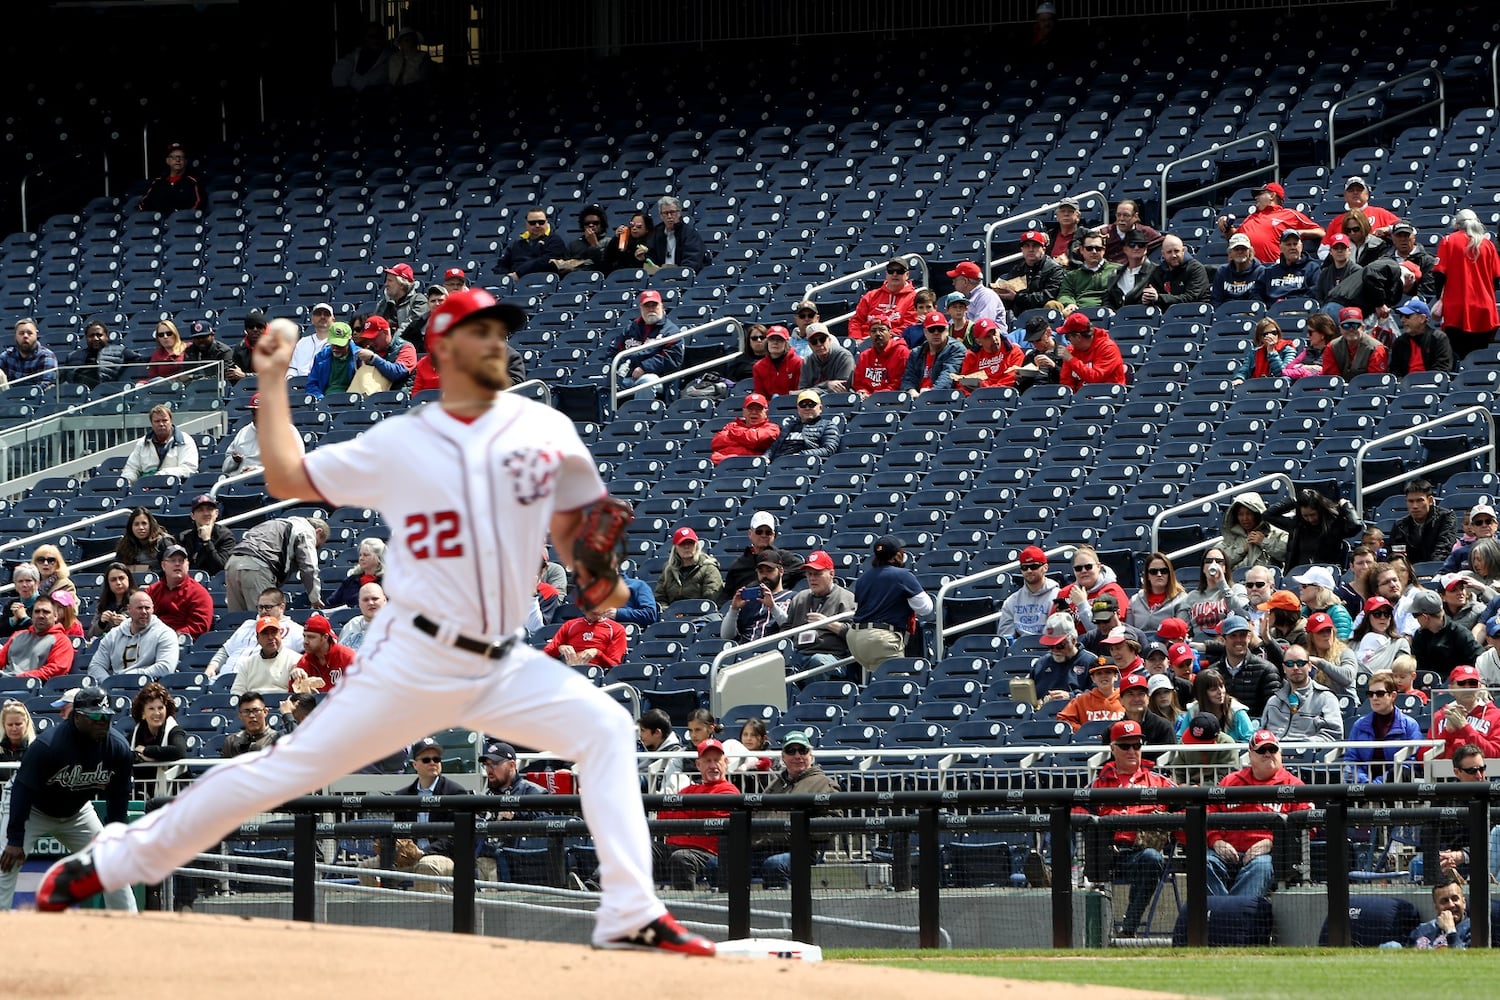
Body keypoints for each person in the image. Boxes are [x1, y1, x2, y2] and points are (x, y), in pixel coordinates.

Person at [38, 296, 715, 954]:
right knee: (282, 772)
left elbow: (585, 541)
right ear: (446, 353)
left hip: (501, 661)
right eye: (482, 334)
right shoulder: (405, 440)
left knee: (603, 730)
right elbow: (286, 471)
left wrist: (597, 565)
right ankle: (111, 861)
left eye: (501, 334)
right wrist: (272, 381)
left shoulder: (545, 431)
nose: (498, 344)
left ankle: (630, 911)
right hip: (412, 657)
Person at [0, 689, 136, 912]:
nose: (102, 722)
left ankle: (130, 927)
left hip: (77, 811)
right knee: (6, 864)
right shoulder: (49, 745)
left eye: (107, 716)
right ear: (77, 716)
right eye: (95, 716)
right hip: (32, 809)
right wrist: (15, 839)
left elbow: (118, 797)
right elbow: (22, 790)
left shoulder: (117, 748)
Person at [1076, 720, 1176, 937]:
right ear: (1112, 748)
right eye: (1125, 746)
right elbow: (1074, 811)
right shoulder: (1099, 783)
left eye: (1137, 746)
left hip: (1142, 854)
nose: (1132, 751)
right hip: (1105, 857)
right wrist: (1097, 820)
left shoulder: (1159, 782)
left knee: (1152, 858)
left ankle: (1128, 928)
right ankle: (1054, 872)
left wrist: (1166, 824)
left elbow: (1189, 806)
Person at [1205, 730, 1311, 898]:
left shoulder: (1294, 785)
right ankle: (1223, 913)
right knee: (1203, 862)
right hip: (1227, 852)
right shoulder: (1230, 782)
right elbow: (1207, 814)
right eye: (1262, 750)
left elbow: (1307, 827)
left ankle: (1234, 916)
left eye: (1273, 750)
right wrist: (1216, 841)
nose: (1268, 754)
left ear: (1280, 753)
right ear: (1250, 755)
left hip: (1267, 856)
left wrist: (1272, 842)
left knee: (1262, 866)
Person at [363, 737, 466, 894]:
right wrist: (393, 848)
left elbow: (456, 839)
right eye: (426, 759)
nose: (432, 762)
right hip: (409, 857)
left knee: (426, 866)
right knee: (366, 868)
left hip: (444, 857)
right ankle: (381, 912)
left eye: (436, 759)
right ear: (415, 765)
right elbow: (399, 832)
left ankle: (426, 917)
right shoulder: (403, 796)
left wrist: (424, 852)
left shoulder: (455, 792)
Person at [752, 729, 841, 888]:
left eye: (802, 750)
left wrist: (795, 831)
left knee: (774, 865)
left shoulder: (824, 783)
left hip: (802, 851)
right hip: (763, 848)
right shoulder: (776, 784)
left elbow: (833, 822)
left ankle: (781, 911)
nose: (797, 756)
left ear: (811, 755)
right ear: (783, 757)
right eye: (791, 751)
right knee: (719, 864)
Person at [652, 740, 738, 891]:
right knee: (641, 849)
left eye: (717, 760)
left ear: (725, 762)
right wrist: (695, 813)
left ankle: (688, 910)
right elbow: (663, 816)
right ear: (698, 765)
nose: (713, 766)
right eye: (707, 761)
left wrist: (683, 812)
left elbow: (714, 813)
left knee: (681, 858)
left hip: (708, 854)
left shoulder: (729, 791)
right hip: (675, 849)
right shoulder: (689, 790)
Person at [846, 535, 933, 680]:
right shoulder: (902, 576)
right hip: (880, 639)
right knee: (897, 687)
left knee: (878, 684)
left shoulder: (863, 579)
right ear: (897, 555)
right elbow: (926, 608)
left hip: (855, 639)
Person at [222, 514, 329, 612]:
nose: (315, 548)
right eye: (317, 545)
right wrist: (315, 598)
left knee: (237, 622)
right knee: (266, 620)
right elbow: (309, 567)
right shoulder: (305, 530)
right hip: (256, 567)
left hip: (232, 563)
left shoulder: (273, 523)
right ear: (318, 531)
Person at [1434, 208, 1500, 359]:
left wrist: (1440, 299)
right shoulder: (1488, 244)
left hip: (1456, 309)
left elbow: (1439, 274)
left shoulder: (1448, 241)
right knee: (1478, 358)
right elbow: (1497, 279)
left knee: (1458, 355)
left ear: (1457, 224)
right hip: (1485, 310)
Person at [1343, 670, 1426, 783]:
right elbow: (1351, 760)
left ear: (1393, 696)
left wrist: (1379, 783)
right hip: (1365, 786)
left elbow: (1410, 762)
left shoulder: (1409, 725)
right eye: (1370, 694)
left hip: (1395, 787)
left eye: (1380, 694)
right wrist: (1365, 783)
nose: (1374, 698)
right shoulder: (1359, 725)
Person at [781, 550, 854, 673]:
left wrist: (828, 623)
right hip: (799, 654)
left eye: (817, 574)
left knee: (817, 662)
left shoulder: (846, 598)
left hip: (832, 656)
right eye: (809, 574)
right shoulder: (800, 598)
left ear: (831, 573)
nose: (812, 578)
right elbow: (786, 630)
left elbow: (854, 634)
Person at [1216, 181, 1325, 263]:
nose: (1256, 197)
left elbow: (1321, 232)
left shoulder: (1289, 214)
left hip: (1274, 267)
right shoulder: (1251, 217)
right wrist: (1226, 227)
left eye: (1260, 194)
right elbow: (1234, 238)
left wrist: (1298, 233)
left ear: (1272, 195)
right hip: (1248, 269)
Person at [85, 591, 180, 682]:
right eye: (139, 608)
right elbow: (96, 666)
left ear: (153, 609)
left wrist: (130, 677)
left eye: (147, 608)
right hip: (116, 688)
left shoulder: (165, 634)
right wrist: (109, 682)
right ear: (129, 609)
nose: (144, 612)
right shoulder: (113, 635)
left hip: (150, 689)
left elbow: (165, 667)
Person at [1259, 644, 1344, 742]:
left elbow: (1333, 735)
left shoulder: (1326, 698)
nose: (1295, 668)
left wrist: (1304, 746)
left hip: (1306, 754)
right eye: (1290, 664)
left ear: (1309, 666)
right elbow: (1262, 732)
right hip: (1272, 753)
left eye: (1300, 663)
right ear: (1284, 668)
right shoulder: (1274, 701)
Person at [1268, 490, 1365, 570]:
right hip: (1298, 573)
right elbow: (1268, 515)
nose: (1310, 519)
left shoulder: (1333, 525)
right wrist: (1294, 501)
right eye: (1306, 515)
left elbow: (1355, 525)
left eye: (1313, 514)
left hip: (1325, 573)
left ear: (1320, 510)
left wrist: (1346, 506)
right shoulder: (1297, 525)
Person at [610, 290, 683, 396]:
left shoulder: (670, 331)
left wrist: (644, 368)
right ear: (641, 308)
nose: (651, 309)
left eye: (654, 305)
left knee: (647, 381)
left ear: (662, 307)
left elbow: (673, 359)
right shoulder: (631, 329)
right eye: (647, 306)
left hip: (656, 378)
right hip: (626, 376)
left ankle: (642, 412)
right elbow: (613, 350)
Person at [128, 682, 188, 800]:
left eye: (160, 708)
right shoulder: (136, 732)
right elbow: (127, 753)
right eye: (151, 708)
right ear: (143, 713)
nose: (157, 713)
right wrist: (140, 756)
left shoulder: (174, 729)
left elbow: (179, 751)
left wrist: (146, 751)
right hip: (144, 794)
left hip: (175, 795)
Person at [720, 550, 794, 644]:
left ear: (781, 571)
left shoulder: (793, 597)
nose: (765, 575)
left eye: (769, 570)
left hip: (774, 650)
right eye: (761, 571)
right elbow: (726, 636)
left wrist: (773, 607)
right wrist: (734, 609)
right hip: (744, 651)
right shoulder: (749, 601)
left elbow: (792, 630)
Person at [994, 230, 1065, 320]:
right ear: (1022, 250)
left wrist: (1017, 297)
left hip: (1043, 316)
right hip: (1019, 314)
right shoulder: (1018, 269)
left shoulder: (1054, 269)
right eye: (1026, 246)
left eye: (1035, 246)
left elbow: (1047, 296)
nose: (1031, 249)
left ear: (1043, 248)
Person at [1410, 589, 1483, 677]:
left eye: (1415, 615)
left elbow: (1479, 660)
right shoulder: (1420, 635)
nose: (1415, 619)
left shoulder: (1459, 633)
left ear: (1425, 617)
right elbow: (1420, 666)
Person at [0, 594, 73, 680]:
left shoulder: (62, 641)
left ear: (55, 616)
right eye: (37, 611)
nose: (40, 615)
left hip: (29, 687)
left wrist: (20, 678)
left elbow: (56, 670)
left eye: (46, 612)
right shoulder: (17, 635)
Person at [122, 403, 200, 484]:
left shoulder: (185, 440)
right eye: (157, 421)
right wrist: (127, 481)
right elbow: (131, 468)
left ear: (171, 421)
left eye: (164, 420)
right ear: (151, 424)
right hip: (146, 488)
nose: (161, 424)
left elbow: (189, 468)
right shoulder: (142, 443)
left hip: (175, 486)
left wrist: (162, 474)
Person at [1390, 478, 1461, 565]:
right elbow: (1395, 556)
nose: (1415, 506)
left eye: (1419, 500)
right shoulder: (1400, 525)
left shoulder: (1446, 517)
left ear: (1430, 500)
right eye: (1410, 501)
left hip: (1438, 569)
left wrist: (1428, 570)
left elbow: (1443, 548)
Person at [1184, 547, 1250, 641]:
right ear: (1203, 568)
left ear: (1225, 568)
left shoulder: (1237, 589)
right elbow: (1182, 625)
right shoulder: (1192, 596)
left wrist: (1222, 584)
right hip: (1198, 644)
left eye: (1219, 561)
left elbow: (1241, 612)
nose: (1213, 564)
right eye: (1209, 561)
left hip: (1228, 644)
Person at [1031, 613, 1097, 703]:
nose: (1054, 650)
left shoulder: (1091, 662)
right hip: (1043, 714)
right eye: (1050, 646)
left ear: (1073, 640)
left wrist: (1071, 696)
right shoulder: (1041, 663)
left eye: (1060, 646)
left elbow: (1099, 695)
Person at [61, 321, 149, 388]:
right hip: (77, 393)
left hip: (105, 393)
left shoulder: (120, 351)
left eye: (99, 335)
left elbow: (143, 360)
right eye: (91, 336)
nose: (95, 338)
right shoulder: (73, 356)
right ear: (86, 338)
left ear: (106, 336)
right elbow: (61, 378)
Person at [230, 616, 304, 696]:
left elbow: (300, 696)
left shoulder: (296, 660)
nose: (270, 637)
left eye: (274, 632)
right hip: (254, 706)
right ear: (257, 638)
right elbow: (237, 692)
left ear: (280, 634)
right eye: (265, 633)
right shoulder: (248, 664)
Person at [998, 546, 1062, 638]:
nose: (1029, 571)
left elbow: (1058, 634)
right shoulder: (1011, 601)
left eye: (1034, 566)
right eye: (1024, 567)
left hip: (1049, 648)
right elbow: (1006, 637)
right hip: (1020, 650)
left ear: (1045, 567)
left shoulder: (1058, 596)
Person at [848, 258, 917, 341]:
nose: (894, 274)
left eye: (900, 271)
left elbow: (909, 326)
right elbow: (856, 321)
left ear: (907, 275)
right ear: (886, 274)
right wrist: (856, 338)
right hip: (864, 341)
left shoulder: (914, 298)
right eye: (891, 271)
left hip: (893, 341)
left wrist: (883, 336)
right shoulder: (871, 295)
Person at [1220, 492, 1288, 573]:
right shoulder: (1229, 538)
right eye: (1240, 514)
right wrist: (1242, 550)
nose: (1245, 518)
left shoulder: (1276, 533)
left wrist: (1264, 542)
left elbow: (1288, 554)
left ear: (1257, 514)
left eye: (1248, 514)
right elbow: (1219, 563)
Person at [654, 526, 724, 606]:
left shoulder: (709, 568)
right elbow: (660, 597)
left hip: (700, 614)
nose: (686, 547)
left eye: (690, 543)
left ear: (696, 545)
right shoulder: (668, 570)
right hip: (673, 615)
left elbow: (711, 597)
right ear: (675, 547)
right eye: (682, 544)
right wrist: (668, 612)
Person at [1185, 667, 1256, 744]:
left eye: (1221, 686)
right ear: (1202, 694)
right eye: (1213, 689)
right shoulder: (1193, 710)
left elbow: (1250, 740)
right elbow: (1181, 738)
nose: (1220, 692)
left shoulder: (1236, 711)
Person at [1056, 312, 1126, 390]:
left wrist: (1072, 360)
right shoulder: (1071, 350)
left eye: (1067, 337)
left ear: (1078, 337)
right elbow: (1066, 382)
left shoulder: (1108, 348)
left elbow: (1096, 378)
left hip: (1107, 394)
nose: (1068, 341)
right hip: (1081, 398)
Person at [954, 317, 1024, 392]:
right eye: (987, 337)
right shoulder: (971, 356)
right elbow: (962, 384)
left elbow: (1010, 381)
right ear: (978, 342)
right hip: (977, 399)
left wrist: (984, 388)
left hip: (1005, 397)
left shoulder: (1014, 351)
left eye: (994, 333)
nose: (994, 339)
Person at [544, 607, 628, 669]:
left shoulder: (616, 629)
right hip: (568, 671)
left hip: (595, 674)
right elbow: (546, 653)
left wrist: (597, 653)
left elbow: (615, 666)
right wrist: (560, 648)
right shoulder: (570, 625)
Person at [289, 613, 355, 692]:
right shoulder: (304, 661)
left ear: (325, 637)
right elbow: (294, 698)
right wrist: (296, 679)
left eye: (311, 637)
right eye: (304, 636)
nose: (305, 641)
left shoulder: (348, 657)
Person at [1388, 298, 1455, 375]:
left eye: (1407, 316)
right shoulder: (1399, 342)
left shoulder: (1438, 338)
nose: (1402, 320)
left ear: (1422, 318)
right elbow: (1394, 370)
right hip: (1404, 385)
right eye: (1401, 316)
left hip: (1431, 384)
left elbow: (1442, 368)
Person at [710, 392, 779, 465]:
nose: (754, 412)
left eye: (759, 409)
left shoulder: (772, 428)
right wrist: (745, 439)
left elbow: (755, 440)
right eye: (750, 409)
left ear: (766, 412)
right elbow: (716, 442)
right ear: (744, 412)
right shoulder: (732, 425)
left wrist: (733, 433)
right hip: (722, 463)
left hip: (748, 466)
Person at [1254, 229, 1321, 304]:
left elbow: (1315, 292)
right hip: (1273, 312)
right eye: (1288, 244)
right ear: (1281, 248)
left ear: (1301, 246)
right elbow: (1257, 293)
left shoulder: (1312, 268)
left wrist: (1293, 305)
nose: (1292, 247)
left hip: (1302, 310)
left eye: (1295, 244)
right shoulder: (1269, 271)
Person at [137, 143, 205, 215]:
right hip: (158, 222)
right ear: (167, 161)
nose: (178, 160)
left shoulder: (193, 182)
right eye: (173, 157)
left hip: (183, 222)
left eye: (181, 157)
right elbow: (144, 203)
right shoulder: (157, 182)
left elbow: (200, 203)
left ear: (185, 161)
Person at [1320, 306, 1389, 377]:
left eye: (1355, 325)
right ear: (1340, 329)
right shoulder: (1331, 347)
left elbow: (1375, 380)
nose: (1351, 329)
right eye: (1346, 326)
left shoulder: (1376, 349)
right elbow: (1331, 379)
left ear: (1363, 327)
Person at [644, 196, 707, 272]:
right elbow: (651, 256)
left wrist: (678, 276)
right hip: (660, 276)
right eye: (666, 213)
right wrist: (643, 257)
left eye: (672, 212)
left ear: (679, 213)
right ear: (661, 215)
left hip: (682, 277)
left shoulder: (689, 233)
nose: (669, 216)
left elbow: (692, 260)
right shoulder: (656, 233)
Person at [849, 317, 910, 395]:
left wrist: (874, 396)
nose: (877, 334)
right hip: (866, 401)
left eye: (882, 330)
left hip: (893, 400)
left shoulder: (902, 353)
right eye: (873, 331)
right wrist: (863, 391)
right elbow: (858, 383)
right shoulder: (864, 356)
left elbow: (900, 384)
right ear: (869, 335)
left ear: (890, 332)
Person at [1058, 660, 1125, 732]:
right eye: (1099, 673)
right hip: (1090, 742)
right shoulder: (1082, 700)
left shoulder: (1125, 697)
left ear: (1115, 676)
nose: (1103, 676)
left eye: (1108, 672)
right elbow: (1063, 719)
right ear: (1093, 679)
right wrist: (1082, 731)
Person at [1230, 318, 1298, 387]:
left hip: (1276, 388)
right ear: (1260, 338)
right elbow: (1243, 371)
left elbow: (1284, 373)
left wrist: (1272, 352)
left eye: (1274, 333)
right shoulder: (1254, 353)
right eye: (1266, 334)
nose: (1271, 336)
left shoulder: (1288, 349)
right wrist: (1239, 378)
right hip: (1256, 388)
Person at [179, 494, 235, 576]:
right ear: (193, 516)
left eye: (209, 509)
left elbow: (221, 568)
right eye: (200, 510)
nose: (205, 513)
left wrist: (207, 542)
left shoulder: (225, 536)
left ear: (216, 513)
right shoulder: (184, 537)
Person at [1409, 875, 1471, 949]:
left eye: (1455, 899)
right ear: (1436, 907)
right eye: (1444, 901)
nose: (1451, 905)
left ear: (1464, 902)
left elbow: (1464, 958)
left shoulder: (1474, 929)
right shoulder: (1422, 931)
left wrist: (1451, 931)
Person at [0, 318, 58, 390]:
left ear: (36, 335)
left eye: (30, 333)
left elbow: (46, 384)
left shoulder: (46, 356)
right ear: (15, 336)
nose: (25, 336)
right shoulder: (6, 356)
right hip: (9, 398)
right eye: (21, 333)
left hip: (35, 398)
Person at [329, 537, 385, 609]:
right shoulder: (350, 581)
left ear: (378, 558)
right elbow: (331, 604)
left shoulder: (388, 582)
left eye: (366, 555)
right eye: (360, 555)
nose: (361, 558)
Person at [306, 322, 359, 398]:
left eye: (340, 345)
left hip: (351, 398)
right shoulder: (321, 357)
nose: (335, 348)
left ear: (349, 340)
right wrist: (320, 398)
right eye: (333, 344)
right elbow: (312, 384)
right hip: (325, 398)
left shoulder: (359, 356)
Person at [1211, 235, 1266, 306]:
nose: (1240, 252)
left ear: (1250, 251)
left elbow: (1259, 299)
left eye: (1244, 249)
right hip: (1226, 313)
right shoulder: (1222, 271)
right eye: (1236, 249)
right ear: (1230, 253)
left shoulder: (1260, 271)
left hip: (1250, 313)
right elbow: (1216, 300)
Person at [798, 322, 854, 391]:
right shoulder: (807, 361)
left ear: (829, 340)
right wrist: (827, 385)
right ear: (809, 345)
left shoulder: (844, 356)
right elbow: (802, 391)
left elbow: (842, 388)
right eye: (814, 341)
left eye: (822, 339)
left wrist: (814, 389)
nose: (819, 344)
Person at [88, 563, 137, 641]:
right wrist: (101, 623)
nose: (118, 583)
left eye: (121, 578)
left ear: (128, 579)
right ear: (108, 584)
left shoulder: (138, 601)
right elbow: (90, 635)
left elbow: (145, 629)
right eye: (113, 580)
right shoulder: (102, 604)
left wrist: (127, 624)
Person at [753, 325, 804, 398]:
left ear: (786, 343)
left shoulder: (798, 362)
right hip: (768, 407)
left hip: (793, 405)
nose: (775, 342)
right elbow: (760, 395)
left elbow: (799, 391)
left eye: (780, 339)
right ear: (767, 342)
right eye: (772, 339)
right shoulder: (758, 367)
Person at [340, 582, 387, 651]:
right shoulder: (351, 625)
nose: (370, 603)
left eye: (375, 599)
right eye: (365, 600)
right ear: (359, 603)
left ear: (384, 600)